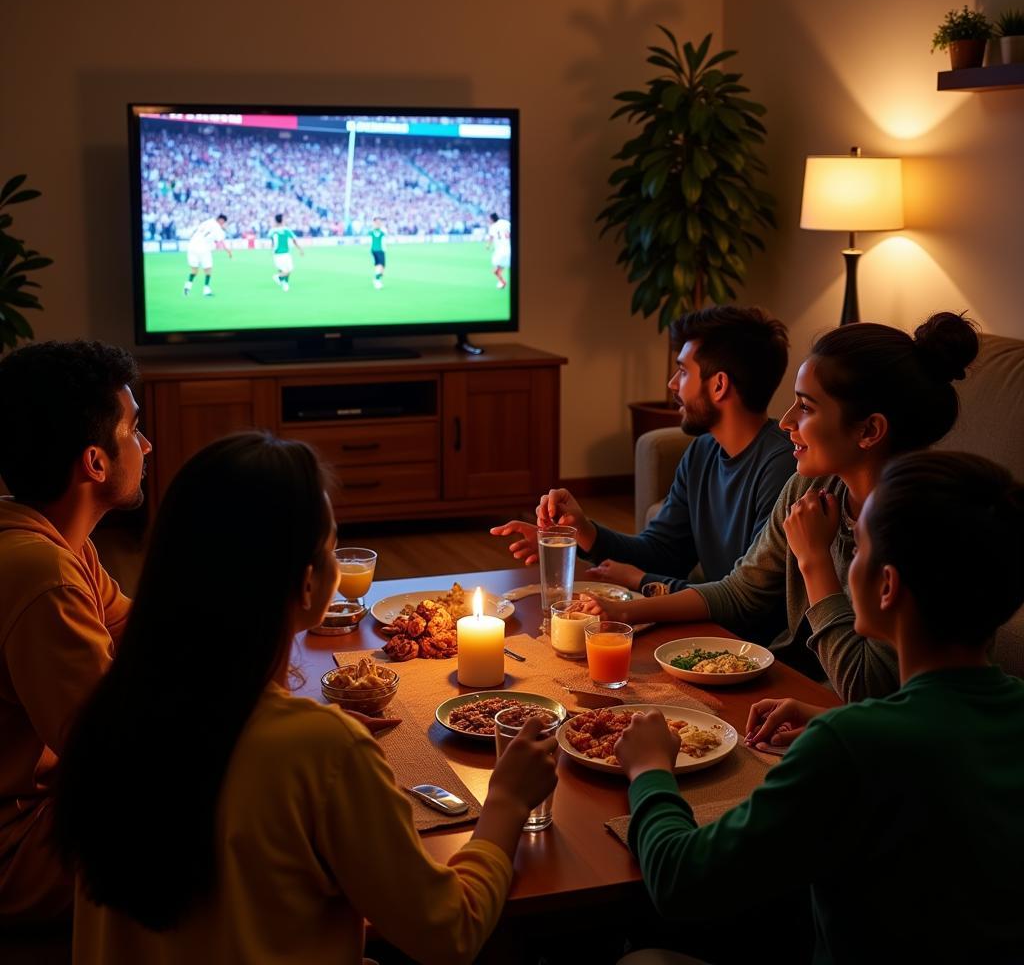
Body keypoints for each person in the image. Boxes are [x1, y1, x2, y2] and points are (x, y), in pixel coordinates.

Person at [55, 433, 557, 965]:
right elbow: (449, 932)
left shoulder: (112, 713)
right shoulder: (319, 750)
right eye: (331, 543)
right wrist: (504, 802)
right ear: (308, 582)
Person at [614, 450, 1024, 964]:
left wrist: (651, 769)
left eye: (857, 549)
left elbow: (680, 882)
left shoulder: (853, 745)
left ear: (886, 585)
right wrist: (832, 719)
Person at [585, 312, 979, 702]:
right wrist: (627, 613)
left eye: (806, 407)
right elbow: (741, 592)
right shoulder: (811, 486)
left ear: (869, 430)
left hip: (859, 719)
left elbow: (866, 687)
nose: (787, 421)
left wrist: (814, 560)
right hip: (796, 689)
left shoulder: (918, 530)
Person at [492, 308, 793, 635]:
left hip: (759, 651)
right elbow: (664, 552)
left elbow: (748, 601)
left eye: (683, 371)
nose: (672, 384)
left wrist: (640, 582)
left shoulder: (781, 468)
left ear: (719, 385)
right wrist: (583, 531)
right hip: (717, 631)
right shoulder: (703, 453)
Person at [0, 340, 151, 923]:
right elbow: (113, 757)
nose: (146, 445)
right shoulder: (41, 574)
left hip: (51, 803)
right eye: (134, 430)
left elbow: (146, 633)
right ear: (95, 462)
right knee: (234, 814)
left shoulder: (60, 543)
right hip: (16, 847)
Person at [184, 212, 232, 296]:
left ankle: (187, 287)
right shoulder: (218, 228)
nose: (223, 225)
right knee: (208, 270)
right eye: (224, 223)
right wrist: (228, 251)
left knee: (194, 271)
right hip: (203, 248)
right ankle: (206, 290)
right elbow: (221, 242)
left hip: (191, 246)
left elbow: (195, 230)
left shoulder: (207, 221)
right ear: (221, 221)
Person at [269, 211, 303, 292]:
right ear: (282, 220)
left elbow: (272, 243)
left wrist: (272, 250)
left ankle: (284, 284)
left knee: (284, 269)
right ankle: (278, 277)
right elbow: (294, 240)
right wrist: (300, 249)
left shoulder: (272, 231)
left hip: (278, 254)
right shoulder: (286, 230)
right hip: (284, 253)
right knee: (288, 270)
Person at [486, 211, 511, 289]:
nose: (489, 221)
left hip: (500, 252)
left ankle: (503, 282)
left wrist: (487, 245)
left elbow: (491, 237)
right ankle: (502, 283)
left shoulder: (493, 226)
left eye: (489, 219)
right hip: (509, 249)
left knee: (496, 271)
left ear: (492, 219)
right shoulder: (506, 222)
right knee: (498, 270)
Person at [369, 216, 386, 290]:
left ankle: (377, 278)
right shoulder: (377, 231)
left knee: (379, 266)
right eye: (377, 221)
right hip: (379, 250)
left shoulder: (381, 230)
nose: (378, 223)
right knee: (380, 265)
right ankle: (377, 280)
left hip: (377, 250)